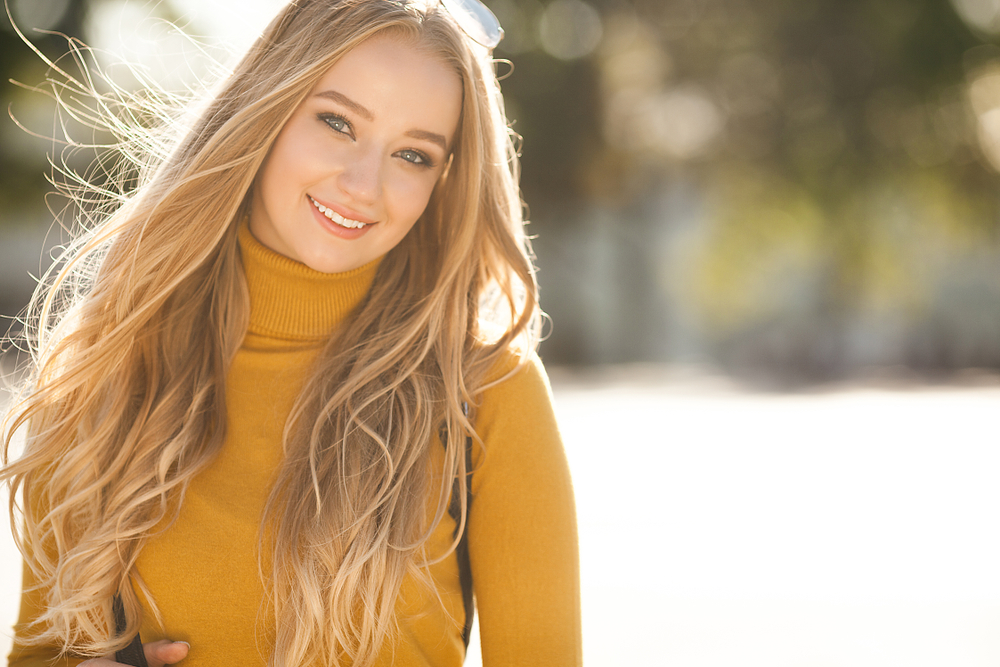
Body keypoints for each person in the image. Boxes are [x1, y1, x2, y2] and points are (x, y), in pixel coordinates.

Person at [0, 1, 581, 666]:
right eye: (337, 122)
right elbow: (42, 650)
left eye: (413, 155)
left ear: (443, 181)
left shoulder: (484, 389)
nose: (363, 185)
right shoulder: (106, 370)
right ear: (266, 111)